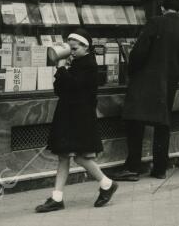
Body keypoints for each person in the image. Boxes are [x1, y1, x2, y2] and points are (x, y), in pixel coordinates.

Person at [35, 30, 118, 212]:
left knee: (80, 157)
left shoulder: (89, 65)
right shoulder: (77, 63)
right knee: (64, 155)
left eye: (74, 48)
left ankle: (107, 183)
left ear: (85, 47)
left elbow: (74, 87)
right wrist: (62, 68)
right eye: (70, 48)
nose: (71, 52)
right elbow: (60, 89)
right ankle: (57, 197)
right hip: (69, 114)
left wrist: (62, 68)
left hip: (79, 117)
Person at [114, 0, 179, 181]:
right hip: (168, 83)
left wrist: (132, 71)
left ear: (163, 8)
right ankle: (160, 169)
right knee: (163, 125)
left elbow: (139, 52)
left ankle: (133, 168)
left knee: (135, 123)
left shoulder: (155, 22)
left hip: (145, 81)